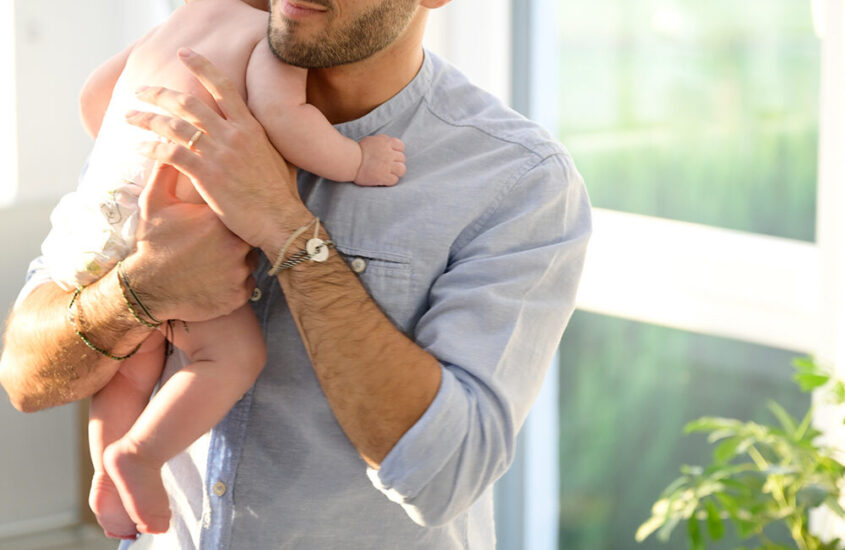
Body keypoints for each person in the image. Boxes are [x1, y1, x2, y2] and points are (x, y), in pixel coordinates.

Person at [0, 0, 592, 548]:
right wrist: (141, 291)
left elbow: (445, 477)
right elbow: (24, 381)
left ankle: (121, 469)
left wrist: (289, 231)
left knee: (131, 378)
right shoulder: (188, 106)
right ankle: (129, 468)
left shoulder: (518, 180)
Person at [40, 0, 405, 540]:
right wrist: (358, 161)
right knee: (231, 356)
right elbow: (287, 120)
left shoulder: (177, 24)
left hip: (97, 222)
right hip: (180, 229)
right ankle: (140, 455)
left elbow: (95, 96)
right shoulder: (273, 35)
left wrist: (128, 154)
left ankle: (106, 476)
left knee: (130, 368)